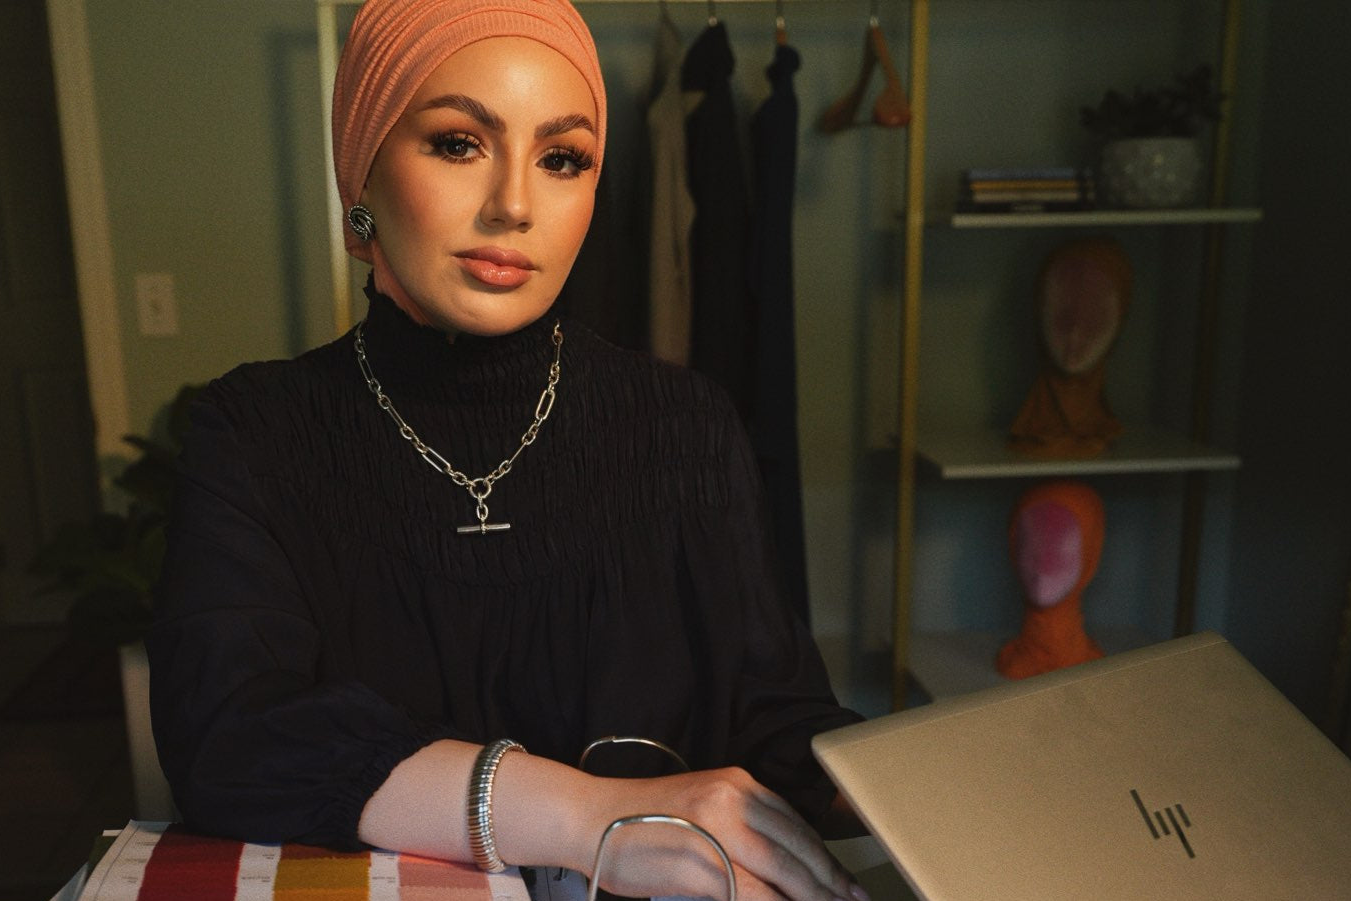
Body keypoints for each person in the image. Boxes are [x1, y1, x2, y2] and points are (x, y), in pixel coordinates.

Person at [147, 3, 868, 900]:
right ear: (360, 170)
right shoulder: (255, 431)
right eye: (458, 143)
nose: (515, 205)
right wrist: (585, 816)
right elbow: (231, 737)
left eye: (562, 159)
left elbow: (775, 718)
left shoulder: (684, 424)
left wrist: (916, 788)